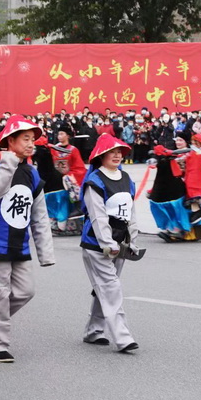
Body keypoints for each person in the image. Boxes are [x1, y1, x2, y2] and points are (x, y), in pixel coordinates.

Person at [0, 116, 55, 363]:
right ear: (10, 141)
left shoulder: (32, 173)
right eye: (26, 139)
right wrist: (7, 165)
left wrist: (46, 253)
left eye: (33, 139)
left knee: (25, 291)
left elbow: (39, 215)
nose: (32, 144)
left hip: (19, 242)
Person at [79, 133, 139, 352]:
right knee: (111, 288)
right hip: (97, 245)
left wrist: (132, 239)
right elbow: (97, 216)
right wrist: (106, 242)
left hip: (119, 243)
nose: (116, 155)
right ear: (100, 155)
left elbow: (131, 212)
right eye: (111, 152)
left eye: (119, 152)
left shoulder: (126, 179)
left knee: (104, 288)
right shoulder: (94, 181)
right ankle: (123, 337)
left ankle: (94, 331)